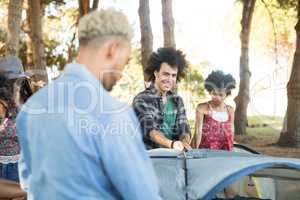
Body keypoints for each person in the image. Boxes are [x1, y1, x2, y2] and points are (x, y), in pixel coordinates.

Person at [16, 9, 161, 199]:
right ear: (112, 49)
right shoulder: (112, 112)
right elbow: (144, 195)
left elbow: (28, 183)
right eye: (124, 62)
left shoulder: (31, 108)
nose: (120, 74)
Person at [133, 47, 191, 150]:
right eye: (166, 74)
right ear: (156, 73)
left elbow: (184, 128)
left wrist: (184, 142)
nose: (170, 79)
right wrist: (172, 144)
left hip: (175, 158)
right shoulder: (142, 99)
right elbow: (150, 131)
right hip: (150, 158)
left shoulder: (177, 100)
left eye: (173, 75)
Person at [191, 70, 236, 151]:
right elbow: (198, 132)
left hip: (225, 152)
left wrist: (231, 150)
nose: (217, 98)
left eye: (221, 95)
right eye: (214, 94)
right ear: (209, 91)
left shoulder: (230, 110)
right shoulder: (202, 108)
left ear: (227, 94)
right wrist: (194, 151)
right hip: (207, 152)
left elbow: (231, 132)